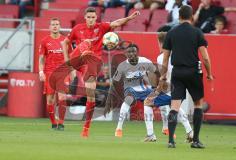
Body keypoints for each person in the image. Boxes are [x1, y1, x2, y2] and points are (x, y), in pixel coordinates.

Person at [62, 7, 140, 138]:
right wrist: (67, 60)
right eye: (89, 17)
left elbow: (116, 23)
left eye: (93, 17)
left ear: (96, 18)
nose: (91, 20)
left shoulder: (101, 27)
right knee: (84, 46)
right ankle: (70, 67)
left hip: (93, 62)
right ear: (85, 17)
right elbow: (65, 42)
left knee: (90, 96)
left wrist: (129, 18)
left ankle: (86, 127)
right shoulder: (77, 29)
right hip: (79, 59)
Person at [160, 5, 213, 148]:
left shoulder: (171, 33)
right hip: (194, 72)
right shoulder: (197, 32)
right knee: (197, 105)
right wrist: (209, 74)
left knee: (175, 106)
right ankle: (195, 140)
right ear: (191, 16)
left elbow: (165, 58)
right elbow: (205, 58)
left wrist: (163, 76)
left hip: (177, 72)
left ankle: (171, 141)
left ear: (179, 16)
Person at [111, 44, 171, 138]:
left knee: (163, 102)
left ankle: (165, 128)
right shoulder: (122, 66)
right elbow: (115, 80)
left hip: (144, 89)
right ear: (126, 54)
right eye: (129, 52)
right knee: (128, 100)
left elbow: (156, 72)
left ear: (137, 52)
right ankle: (119, 128)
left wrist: (160, 83)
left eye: (133, 51)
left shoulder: (144, 61)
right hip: (130, 88)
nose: (131, 54)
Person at [143, 32, 193, 142]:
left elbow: (163, 77)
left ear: (161, 43)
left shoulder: (162, 57)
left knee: (147, 102)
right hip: (180, 89)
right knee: (175, 107)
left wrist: (156, 92)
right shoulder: (179, 55)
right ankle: (190, 132)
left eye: (158, 43)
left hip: (168, 89)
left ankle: (150, 134)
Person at [38, 18, 68, 131]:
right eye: (53, 24)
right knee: (50, 100)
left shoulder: (65, 40)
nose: (55, 26)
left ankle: (61, 123)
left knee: (62, 97)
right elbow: (41, 59)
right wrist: (41, 72)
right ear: (49, 27)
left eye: (57, 24)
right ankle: (53, 123)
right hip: (49, 73)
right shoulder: (45, 41)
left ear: (60, 26)